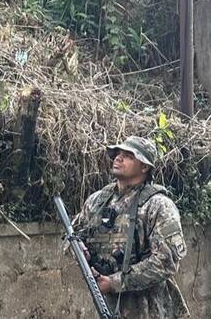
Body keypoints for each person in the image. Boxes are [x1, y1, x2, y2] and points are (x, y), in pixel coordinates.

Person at [73, 136, 190, 318]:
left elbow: (167, 261)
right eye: (118, 154)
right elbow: (72, 236)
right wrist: (79, 250)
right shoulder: (98, 201)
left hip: (148, 308)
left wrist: (114, 282)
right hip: (104, 304)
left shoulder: (158, 205)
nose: (118, 158)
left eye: (128, 156)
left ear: (144, 167)